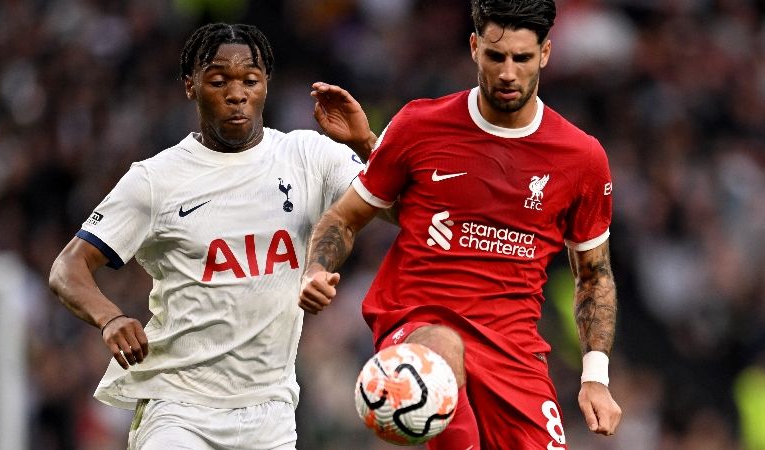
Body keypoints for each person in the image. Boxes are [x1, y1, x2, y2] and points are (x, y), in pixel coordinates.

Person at [298, 0, 622, 448]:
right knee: (442, 346)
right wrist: (316, 268)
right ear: (474, 48)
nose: (508, 72)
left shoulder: (581, 158)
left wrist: (596, 377)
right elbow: (345, 217)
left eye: (522, 58)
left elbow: (594, 274)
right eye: (496, 56)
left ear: (545, 54)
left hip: (514, 352)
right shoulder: (419, 125)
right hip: (418, 323)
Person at [48, 22, 377, 449]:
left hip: (270, 413)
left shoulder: (309, 156)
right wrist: (109, 317)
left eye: (250, 81)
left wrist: (369, 143)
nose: (236, 94)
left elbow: (396, 209)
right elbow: (67, 267)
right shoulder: (155, 180)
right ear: (191, 86)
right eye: (219, 81)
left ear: (265, 86)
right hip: (180, 409)